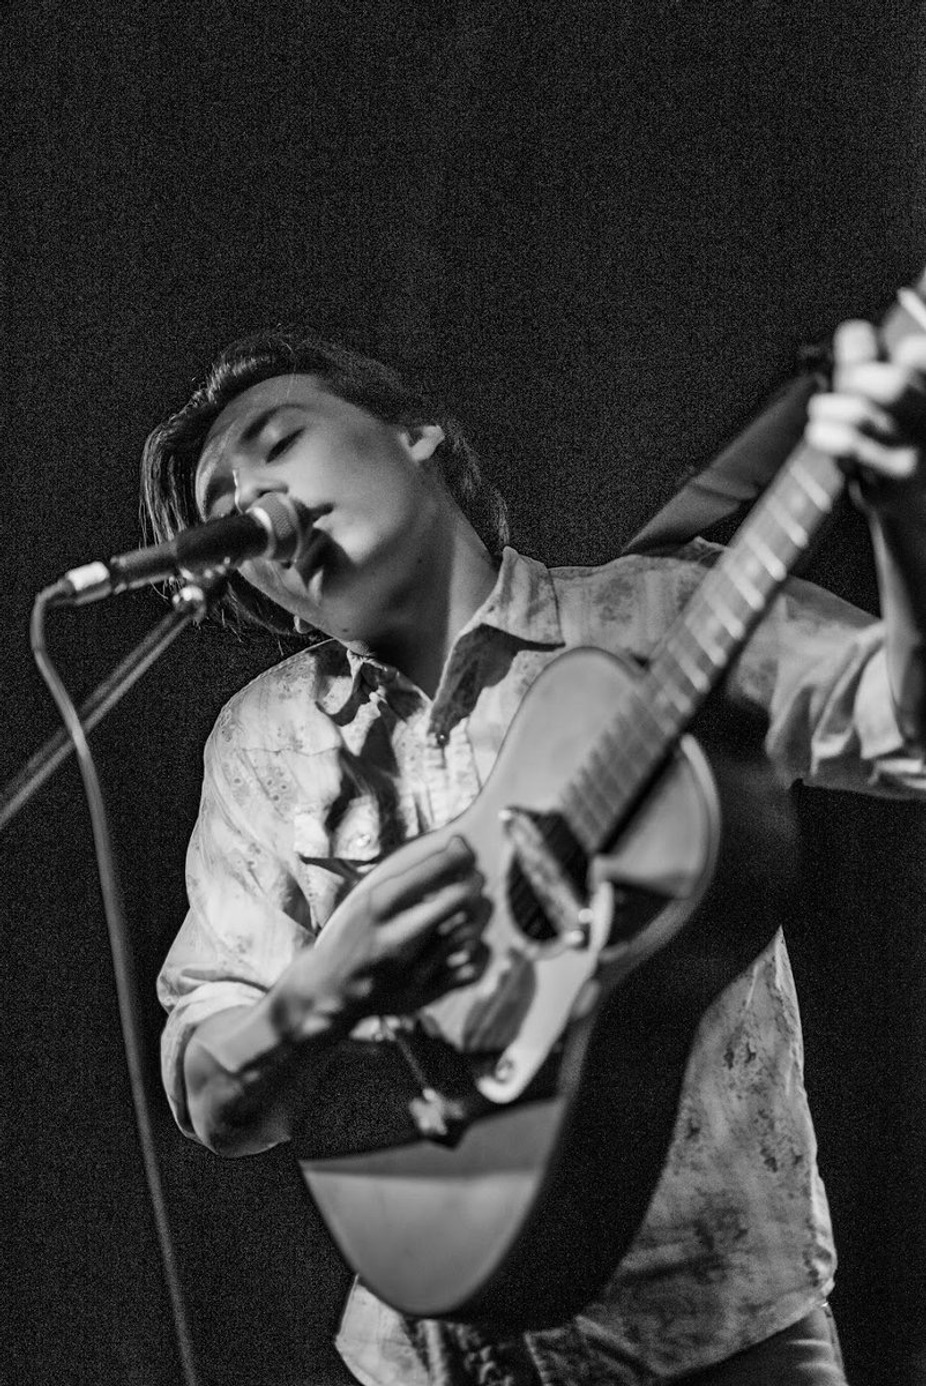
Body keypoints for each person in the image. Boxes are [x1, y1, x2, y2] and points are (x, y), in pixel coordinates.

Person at [146, 315, 926, 1386]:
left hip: (725, 1342)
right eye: (223, 514)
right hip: (418, 1359)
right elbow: (211, 1097)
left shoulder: (662, 613)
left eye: (279, 441)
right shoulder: (260, 739)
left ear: (416, 435)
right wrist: (324, 986)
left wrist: (904, 504)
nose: (253, 502)